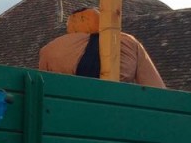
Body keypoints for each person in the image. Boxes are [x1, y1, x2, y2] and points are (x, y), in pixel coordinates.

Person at [37, 7, 165, 87]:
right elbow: (155, 87)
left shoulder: (50, 49)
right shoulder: (127, 41)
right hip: (115, 107)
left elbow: (44, 85)